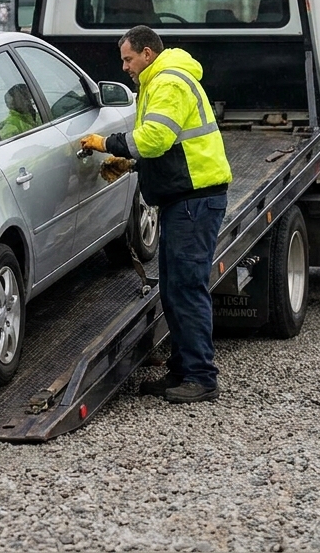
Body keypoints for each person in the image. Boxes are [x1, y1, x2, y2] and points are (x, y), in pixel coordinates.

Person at [79, 25, 232, 404]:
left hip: (195, 199)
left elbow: (155, 139)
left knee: (187, 288)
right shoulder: (159, 80)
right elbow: (166, 148)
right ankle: (182, 371)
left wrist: (106, 143)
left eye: (128, 59)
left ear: (147, 53)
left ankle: (201, 377)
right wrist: (130, 163)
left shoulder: (167, 82)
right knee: (175, 287)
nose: (125, 67)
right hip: (185, 198)